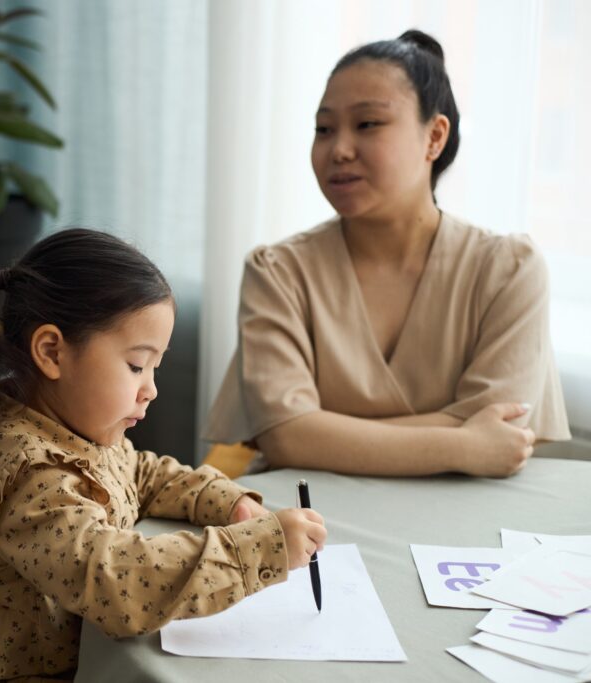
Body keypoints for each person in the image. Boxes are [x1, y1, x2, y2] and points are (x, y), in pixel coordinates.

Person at [0, 229, 327, 681]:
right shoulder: (30, 475)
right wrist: (257, 550)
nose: (151, 390)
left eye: (155, 367)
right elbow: (121, 581)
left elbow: (141, 474)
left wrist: (224, 499)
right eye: (135, 365)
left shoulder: (76, 429)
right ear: (51, 352)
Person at [204, 29, 570, 478]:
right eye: (323, 129)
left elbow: (504, 427)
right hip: (310, 518)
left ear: (434, 137)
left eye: (368, 124)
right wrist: (463, 445)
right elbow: (285, 436)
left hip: (467, 517)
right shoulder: (277, 271)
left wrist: (319, 436)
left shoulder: (509, 270)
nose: (338, 149)